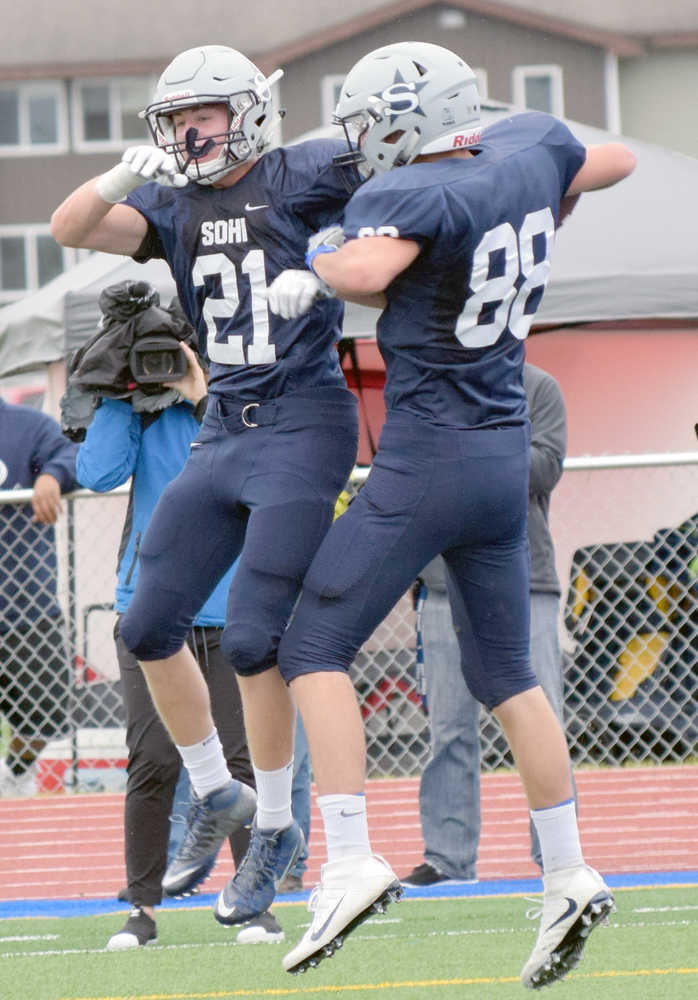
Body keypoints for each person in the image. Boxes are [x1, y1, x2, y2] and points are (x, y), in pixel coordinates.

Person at [263, 41, 636, 982]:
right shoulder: (532, 146)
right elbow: (613, 160)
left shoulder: (415, 195)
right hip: (501, 461)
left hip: (428, 457)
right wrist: (542, 189)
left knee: (311, 646)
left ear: (403, 117)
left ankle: (347, 857)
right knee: (508, 673)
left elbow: (362, 273)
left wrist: (322, 253)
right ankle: (566, 871)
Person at [50, 43, 359, 921]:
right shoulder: (173, 202)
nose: (188, 136)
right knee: (147, 623)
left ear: (249, 113)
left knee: (258, 638)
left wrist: (329, 255)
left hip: (303, 420)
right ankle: (214, 792)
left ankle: (272, 829)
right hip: (223, 425)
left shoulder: (302, 172)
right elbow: (70, 228)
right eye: (177, 121)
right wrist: (117, 175)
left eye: (203, 117)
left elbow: (397, 191)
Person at [73, 291, 283, 949]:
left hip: (229, 603)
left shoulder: (231, 397)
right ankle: (142, 909)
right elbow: (96, 472)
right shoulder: (131, 405)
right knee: (154, 759)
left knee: (241, 759)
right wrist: (117, 390)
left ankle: (254, 903)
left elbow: (251, 467)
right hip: (152, 604)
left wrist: (197, 390)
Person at [402, 363, 571, 887]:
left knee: (545, 721)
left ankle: (560, 857)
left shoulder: (540, 386)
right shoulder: (434, 380)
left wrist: (472, 443)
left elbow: (543, 469)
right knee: (448, 729)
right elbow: (412, 468)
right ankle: (449, 860)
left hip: (526, 580)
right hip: (441, 579)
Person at [0, 398, 78, 797]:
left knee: (44, 717)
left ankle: (13, 773)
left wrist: (52, 476)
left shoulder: (28, 426)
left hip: (25, 609)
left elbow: (74, 454)